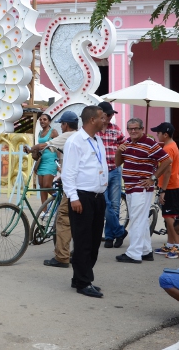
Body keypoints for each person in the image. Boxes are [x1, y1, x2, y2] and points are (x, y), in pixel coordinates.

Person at [61, 105, 108, 298]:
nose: (105, 121)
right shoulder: (75, 142)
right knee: (83, 241)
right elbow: (68, 173)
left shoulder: (97, 141)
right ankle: (83, 281)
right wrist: (73, 197)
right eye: (102, 118)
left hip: (98, 197)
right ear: (92, 120)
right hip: (82, 197)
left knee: (95, 240)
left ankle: (80, 277)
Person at [115, 117, 170, 264]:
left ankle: (134, 253)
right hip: (130, 187)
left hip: (141, 187)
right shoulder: (126, 142)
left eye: (136, 129)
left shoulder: (150, 144)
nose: (133, 131)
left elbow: (166, 160)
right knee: (142, 220)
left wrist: (153, 177)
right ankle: (145, 251)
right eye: (130, 129)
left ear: (142, 129)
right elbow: (118, 163)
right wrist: (119, 151)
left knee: (136, 220)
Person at [42, 110, 79, 269]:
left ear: (66, 124)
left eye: (62, 124)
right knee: (77, 221)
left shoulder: (66, 135)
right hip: (73, 180)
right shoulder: (84, 137)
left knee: (63, 220)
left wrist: (31, 149)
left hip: (72, 185)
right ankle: (74, 253)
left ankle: (62, 256)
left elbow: (46, 145)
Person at [151, 122, 179, 259]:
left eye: (158, 133)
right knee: (168, 217)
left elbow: (168, 169)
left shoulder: (168, 149)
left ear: (165, 134)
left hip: (170, 186)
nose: (156, 134)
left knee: (170, 218)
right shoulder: (171, 145)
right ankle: (171, 244)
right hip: (173, 185)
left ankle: (178, 245)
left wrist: (163, 190)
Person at [98, 101, 128, 249]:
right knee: (105, 204)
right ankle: (119, 231)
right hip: (99, 173)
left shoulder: (115, 129)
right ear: (100, 114)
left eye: (111, 114)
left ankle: (109, 237)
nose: (110, 117)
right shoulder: (93, 131)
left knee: (115, 205)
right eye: (108, 114)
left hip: (115, 170)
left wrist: (122, 148)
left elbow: (125, 144)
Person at [22, 111, 59, 206]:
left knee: (47, 185)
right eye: (41, 120)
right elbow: (38, 147)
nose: (42, 121)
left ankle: (60, 197)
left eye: (45, 119)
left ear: (49, 122)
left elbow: (58, 146)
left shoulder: (53, 132)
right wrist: (30, 150)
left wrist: (59, 161)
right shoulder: (39, 133)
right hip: (41, 161)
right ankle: (44, 211)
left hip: (51, 160)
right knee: (42, 187)